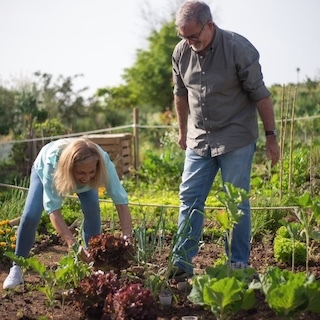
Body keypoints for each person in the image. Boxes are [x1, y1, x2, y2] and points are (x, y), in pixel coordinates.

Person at [170, 0, 280, 280]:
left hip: (236, 138)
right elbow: (180, 94)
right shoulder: (181, 52)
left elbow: (260, 94)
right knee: (189, 199)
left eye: (194, 36)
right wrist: (183, 132)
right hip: (199, 139)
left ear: (210, 25)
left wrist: (271, 137)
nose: (189, 42)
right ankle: (181, 265)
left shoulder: (238, 48)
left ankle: (238, 264)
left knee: (236, 201)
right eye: (184, 37)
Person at [3, 137, 133, 289]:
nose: (86, 177)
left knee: (92, 211)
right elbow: (53, 210)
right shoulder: (52, 164)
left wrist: (127, 236)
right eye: (81, 172)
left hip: (80, 174)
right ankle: (16, 267)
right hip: (46, 169)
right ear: (70, 168)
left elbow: (121, 201)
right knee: (30, 216)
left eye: (92, 171)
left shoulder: (102, 162)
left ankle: (94, 263)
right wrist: (73, 245)